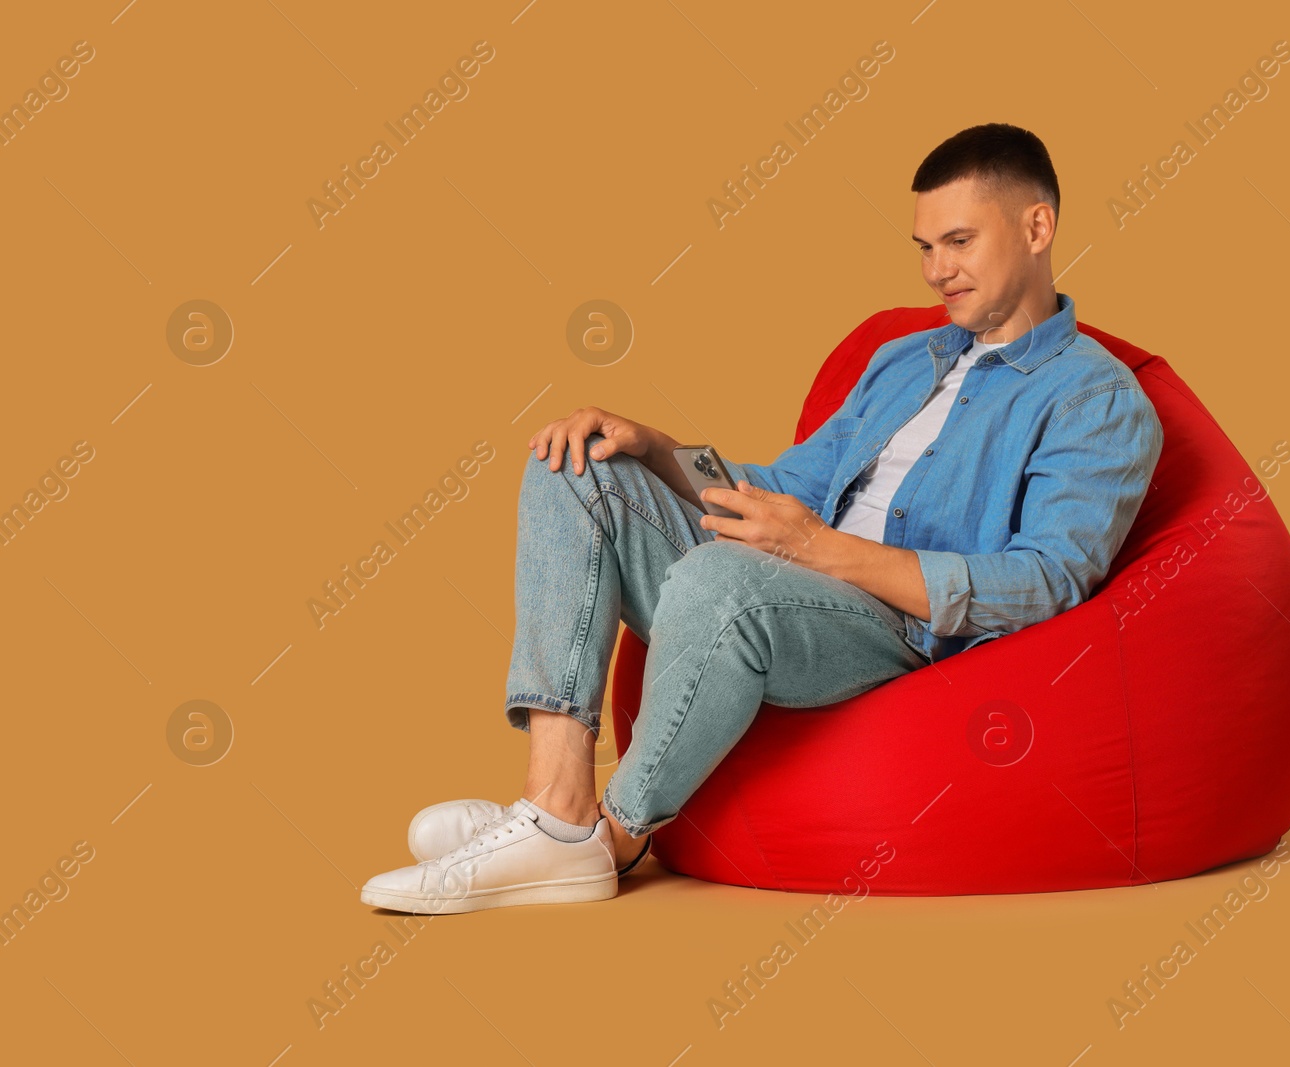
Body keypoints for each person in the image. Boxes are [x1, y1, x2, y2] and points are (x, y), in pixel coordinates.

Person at [360, 122, 1164, 913]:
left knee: (722, 581)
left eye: (957, 242)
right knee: (574, 465)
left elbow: (1047, 583)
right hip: (788, 574)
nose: (936, 271)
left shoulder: (1096, 398)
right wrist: (656, 447)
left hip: (902, 629)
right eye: (924, 247)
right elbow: (781, 487)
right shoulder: (904, 361)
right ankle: (554, 803)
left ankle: (613, 834)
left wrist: (821, 549)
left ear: (1037, 226)